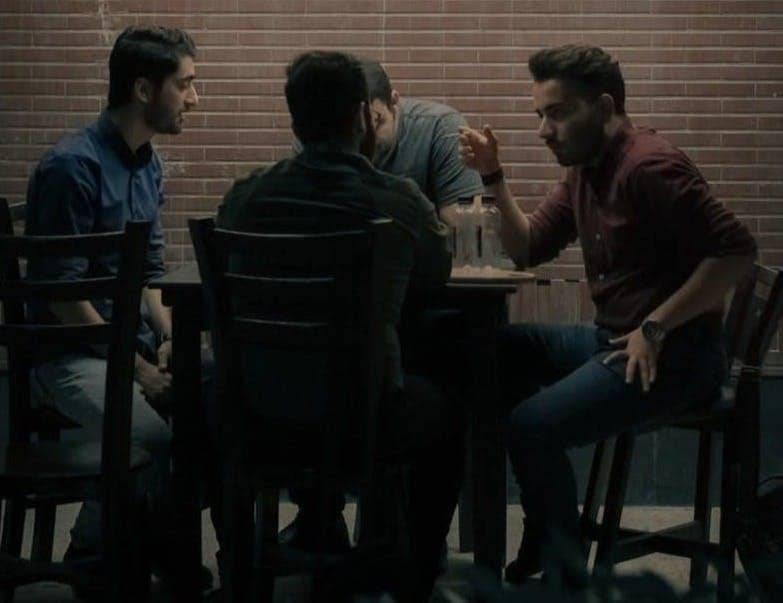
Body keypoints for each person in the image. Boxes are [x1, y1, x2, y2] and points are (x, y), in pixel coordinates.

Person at [458, 44, 757, 586]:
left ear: (603, 106)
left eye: (558, 112)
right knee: (496, 350)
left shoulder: (649, 165)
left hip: (675, 357)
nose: (545, 130)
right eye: (539, 115)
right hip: (614, 340)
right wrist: (493, 177)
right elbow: (527, 248)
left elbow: (737, 251)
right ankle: (549, 528)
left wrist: (656, 326)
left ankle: (565, 571)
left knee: (531, 426)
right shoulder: (584, 171)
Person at [217, 50, 462, 601]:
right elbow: (440, 273)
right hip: (364, 418)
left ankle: (240, 566)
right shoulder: (397, 201)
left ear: (295, 120)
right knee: (448, 412)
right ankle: (416, 571)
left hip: (259, 414)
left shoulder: (244, 200)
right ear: (360, 116)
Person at [24, 25, 213, 595]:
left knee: (216, 402)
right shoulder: (70, 168)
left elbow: (149, 276)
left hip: (120, 348)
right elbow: (62, 299)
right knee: (151, 437)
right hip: (65, 357)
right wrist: (138, 369)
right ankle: (99, 553)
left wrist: (171, 336)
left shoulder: (149, 164)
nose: (195, 99)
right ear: (142, 89)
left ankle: (129, 544)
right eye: (185, 85)